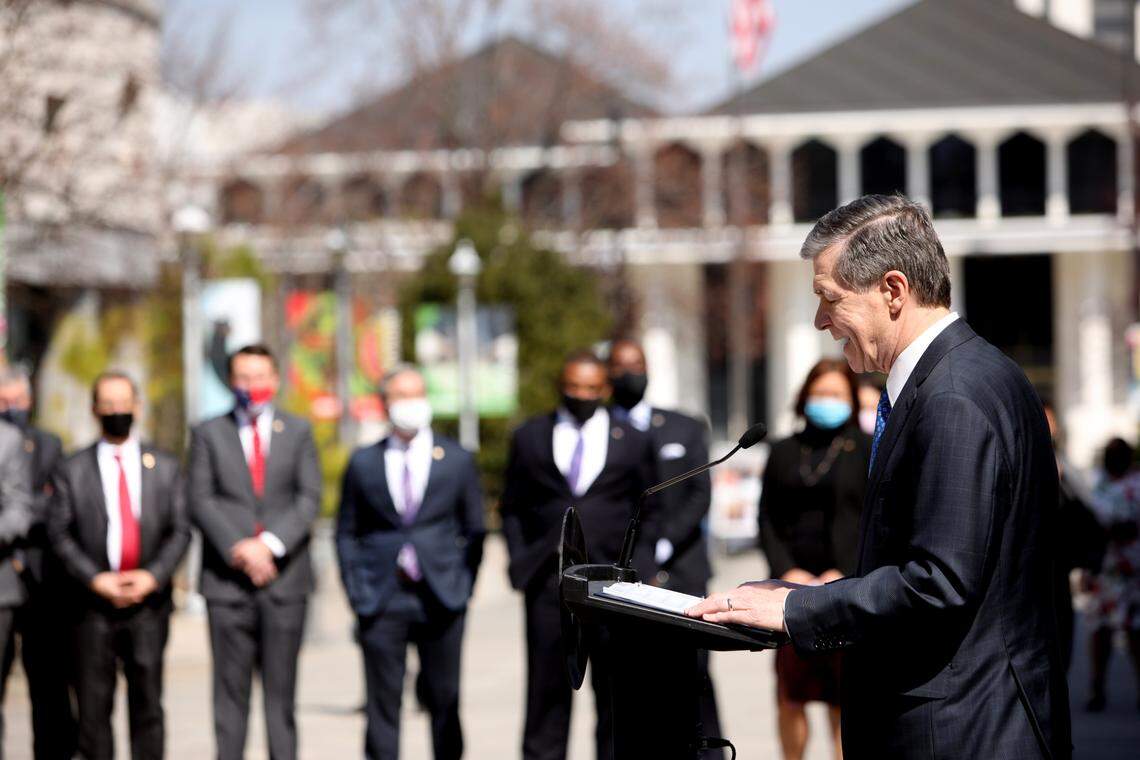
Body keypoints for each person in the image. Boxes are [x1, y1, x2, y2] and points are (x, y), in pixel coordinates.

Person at [687, 195, 1071, 758]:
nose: (821, 321)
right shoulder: (965, 375)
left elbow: (939, 584)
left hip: (960, 731)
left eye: (829, 299)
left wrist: (798, 608)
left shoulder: (954, 396)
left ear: (893, 291)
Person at [501, 349, 653, 760]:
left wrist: (641, 573)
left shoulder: (634, 440)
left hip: (611, 587)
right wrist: (520, 563)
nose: (581, 395)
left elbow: (650, 509)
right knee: (546, 695)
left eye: (590, 388)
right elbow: (512, 507)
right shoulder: (530, 435)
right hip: (549, 584)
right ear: (561, 386)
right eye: (573, 387)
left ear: (604, 389)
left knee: (615, 697)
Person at [336, 365, 485, 760]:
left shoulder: (455, 459)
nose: (410, 404)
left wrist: (463, 585)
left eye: (417, 394)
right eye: (401, 396)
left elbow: (475, 530)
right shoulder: (364, 462)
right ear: (385, 403)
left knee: (445, 700)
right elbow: (346, 531)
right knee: (383, 705)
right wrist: (356, 590)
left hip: (441, 596)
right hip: (382, 597)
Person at [47, 371, 189, 760]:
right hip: (90, 608)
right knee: (93, 712)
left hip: (148, 606)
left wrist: (153, 576)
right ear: (95, 409)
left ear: (137, 407)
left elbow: (180, 531)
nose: (116, 412)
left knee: (148, 707)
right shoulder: (72, 469)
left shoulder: (164, 465)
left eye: (123, 404)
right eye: (108, 405)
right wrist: (95, 579)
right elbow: (58, 534)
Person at [189, 344, 322, 760]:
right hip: (227, 585)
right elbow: (200, 500)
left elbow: (308, 498)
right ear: (231, 382)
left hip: (285, 583)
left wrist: (269, 546)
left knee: (281, 699)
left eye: (260, 376)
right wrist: (241, 549)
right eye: (244, 378)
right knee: (230, 699)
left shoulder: (298, 432)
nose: (253, 386)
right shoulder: (209, 433)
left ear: (276, 379)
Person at [606, 338, 724, 757]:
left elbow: (698, 494)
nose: (629, 373)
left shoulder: (683, 426)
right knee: (624, 688)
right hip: (623, 577)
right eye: (620, 366)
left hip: (684, 571)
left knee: (693, 678)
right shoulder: (599, 430)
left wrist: (663, 541)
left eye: (636, 364)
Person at [758, 358, 869, 760]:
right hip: (791, 590)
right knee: (792, 696)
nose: (828, 401)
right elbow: (767, 517)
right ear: (804, 397)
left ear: (853, 400)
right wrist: (787, 570)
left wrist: (845, 571)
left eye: (837, 394)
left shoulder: (867, 449)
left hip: (846, 588)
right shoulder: (784, 451)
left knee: (843, 700)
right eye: (821, 393)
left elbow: (872, 520)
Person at [0, 367, 75, 760]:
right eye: (3, 402)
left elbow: (53, 503)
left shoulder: (48, 444)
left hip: (41, 579)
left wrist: (22, 513)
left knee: (48, 686)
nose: (12, 409)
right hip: (2, 579)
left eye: (18, 401)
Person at [1041, 400, 1104, 673]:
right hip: (1030, 562)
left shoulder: (1064, 466)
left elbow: (1087, 513)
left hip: (1058, 562)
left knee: (1061, 632)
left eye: (1050, 420)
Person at [1085, 437, 1140, 711]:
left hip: (1133, 570)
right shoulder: (1097, 483)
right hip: (1105, 570)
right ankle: (1098, 687)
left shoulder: (1136, 485)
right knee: (1100, 631)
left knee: (1135, 631)